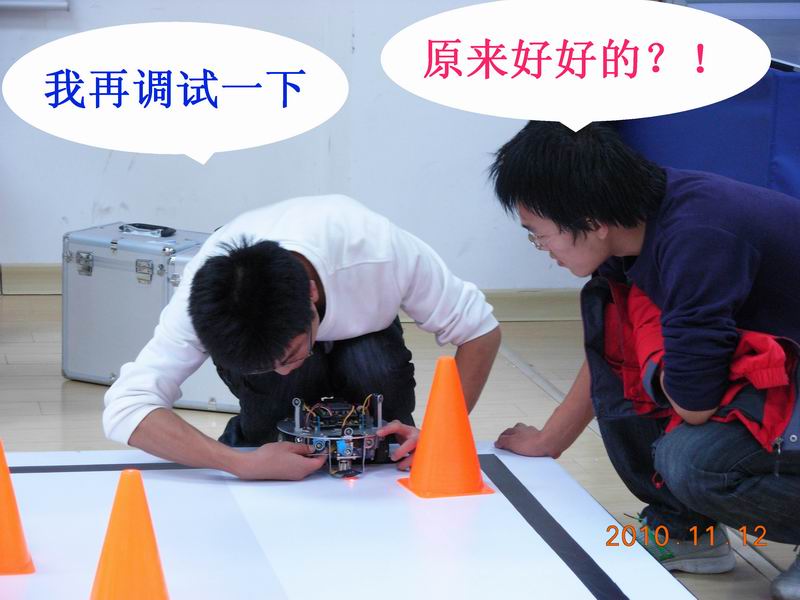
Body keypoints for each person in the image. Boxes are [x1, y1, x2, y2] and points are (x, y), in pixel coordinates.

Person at [489, 121, 800, 600]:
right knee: (624, 334)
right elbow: (611, 357)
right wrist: (550, 439)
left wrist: (654, 351)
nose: (543, 249)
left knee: (695, 463)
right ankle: (686, 532)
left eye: (540, 235)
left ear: (591, 220)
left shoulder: (696, 240)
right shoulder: (635, 223)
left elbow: (694, 404)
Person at [104, 195, 501, 481]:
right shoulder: (209, 296)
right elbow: (126, 407)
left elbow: (481, 331)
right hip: (278, 330)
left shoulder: (378, 251)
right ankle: (252, 437)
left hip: (367, 334)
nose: (281, 368)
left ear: (311, 292)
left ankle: (377, 444)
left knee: (370, 367)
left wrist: (439, 435)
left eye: (289, 353)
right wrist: (240, 463)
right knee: (283, 394)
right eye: (266, 364)